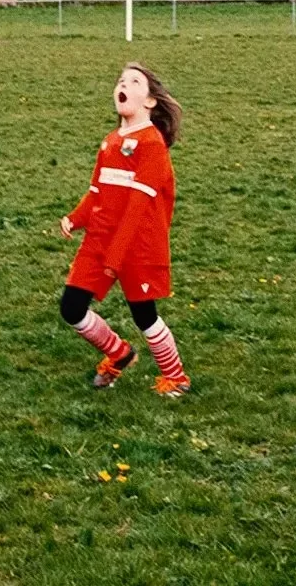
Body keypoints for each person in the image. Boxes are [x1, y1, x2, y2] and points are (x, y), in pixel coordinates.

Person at [58, 61, 190, 397]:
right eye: (121, 80)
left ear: (150, 101)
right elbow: (98, 192)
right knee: (71, 307)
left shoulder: (151, 144)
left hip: (137, 246)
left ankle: (175, 377)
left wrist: (117, 255)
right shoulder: (110, 142)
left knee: (144, 315)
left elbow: (137, 207)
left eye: (134, 81)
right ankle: (119, 353)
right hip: (100, 239)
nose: (124, 84)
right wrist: (75, 218)